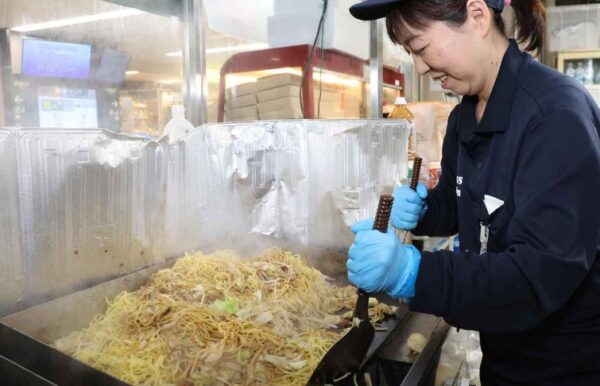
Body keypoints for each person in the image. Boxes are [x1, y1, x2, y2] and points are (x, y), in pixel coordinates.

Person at [346, 0, 600, 385]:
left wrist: (412, 273)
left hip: (565, 367)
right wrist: (425, 210)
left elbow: (534, 276)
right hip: (504, 352)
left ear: (477, 16)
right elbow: (460, 200)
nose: (420, 67)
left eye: (420, 47)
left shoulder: (555, 115)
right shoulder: (466, 113)